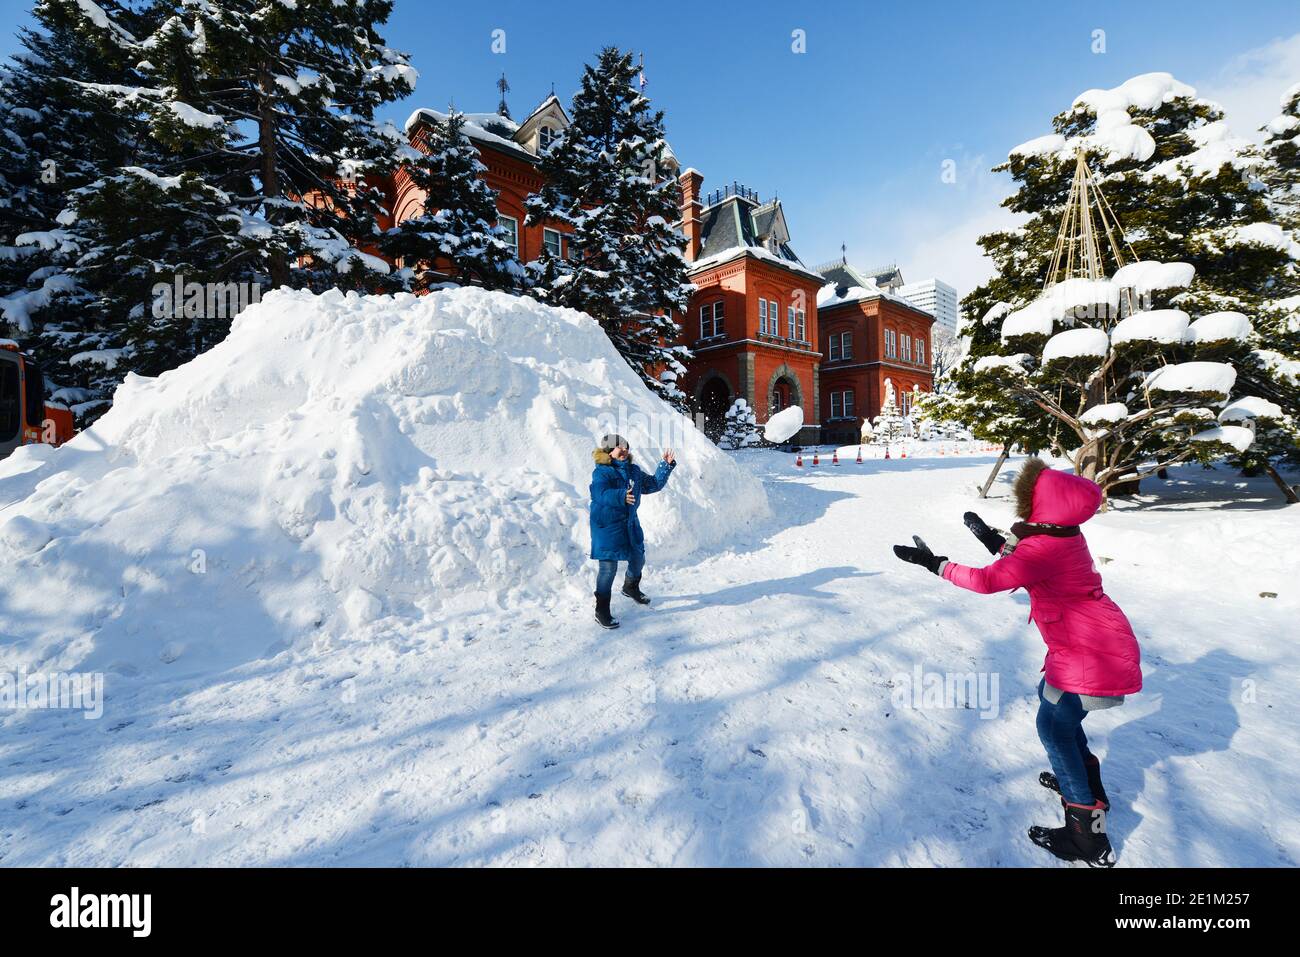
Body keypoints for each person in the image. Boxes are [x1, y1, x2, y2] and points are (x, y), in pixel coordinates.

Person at [892, 457, 1141, 867]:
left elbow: (992, 579)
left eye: (1030, 497)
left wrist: (935, 564)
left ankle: (1087, 837)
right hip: (1089, 644)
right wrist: (993, 540)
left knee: (1054, 727)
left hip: (1090, 651)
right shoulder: (1065, 536)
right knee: (1057, 712)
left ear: (1043, 505)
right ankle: (1084, 785)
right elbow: (1028, 562)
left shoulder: (1045, 545)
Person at [588, 434, 676, 629]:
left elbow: (653, 484)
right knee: (608, 568)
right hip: (607, 525)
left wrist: (665, 466)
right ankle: (601, 610)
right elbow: (599, 493)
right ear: (609, 451)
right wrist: (620, 495)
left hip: (629, 523)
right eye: (619, 447)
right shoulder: (602, 472)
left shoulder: (633, 471)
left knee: (638, 558)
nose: (624, 450)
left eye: (626, 447)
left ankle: (630, 587)